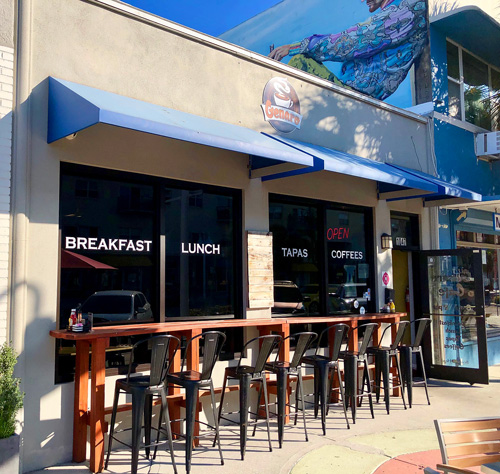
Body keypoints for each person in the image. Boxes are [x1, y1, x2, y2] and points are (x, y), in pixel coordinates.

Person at [268, 0, 427, 100]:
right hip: (358, 95)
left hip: (358, 97)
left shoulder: (407, 7)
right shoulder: (398, 10)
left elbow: (350, 42)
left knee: (300, 62)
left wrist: (295, 47)